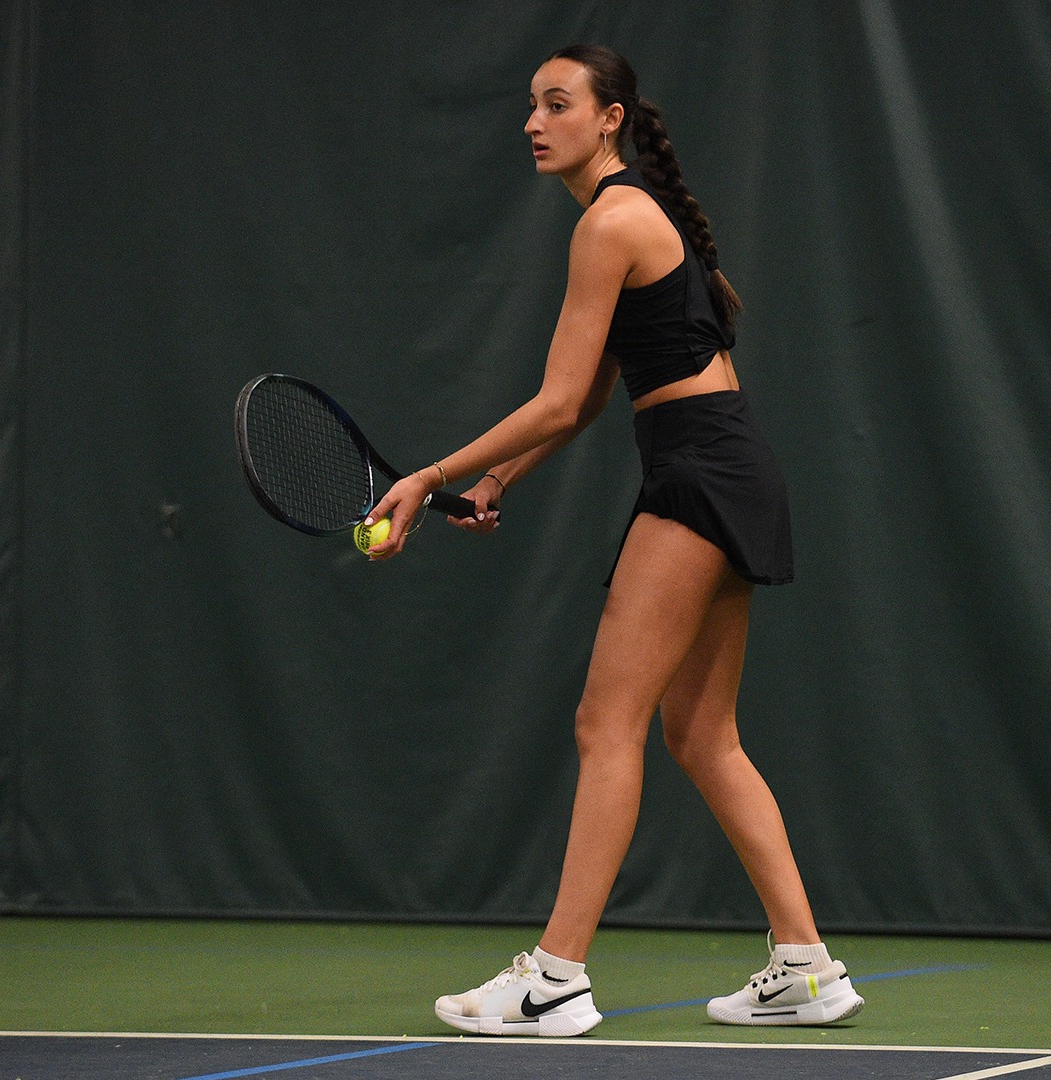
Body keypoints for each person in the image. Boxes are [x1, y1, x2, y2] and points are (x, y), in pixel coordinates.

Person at [362, 44, 862, 1037]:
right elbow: (588, 393)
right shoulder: (643, 217)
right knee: (702, 736)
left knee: (606, 723)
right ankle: (806, 964)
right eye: (532, 107)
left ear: (610, 119)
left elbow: (552, 398)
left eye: (558, 104)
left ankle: (556, 975)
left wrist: (429, 476)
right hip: (726, 461)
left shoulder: (612, 221)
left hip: (698, 471)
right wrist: (498, 476)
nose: (534, 122)